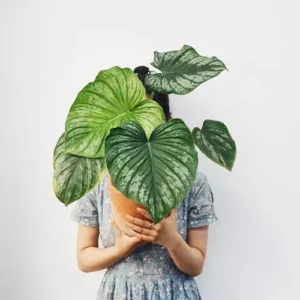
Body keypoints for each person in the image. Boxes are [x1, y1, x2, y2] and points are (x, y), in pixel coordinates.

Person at [70, 66, 218, 300]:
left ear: (168, 123)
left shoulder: (191, 181)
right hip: (120, 293)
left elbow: (196, 265)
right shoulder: (101, 179)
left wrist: (172, 241)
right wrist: (121, 249)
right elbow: (84, 258)